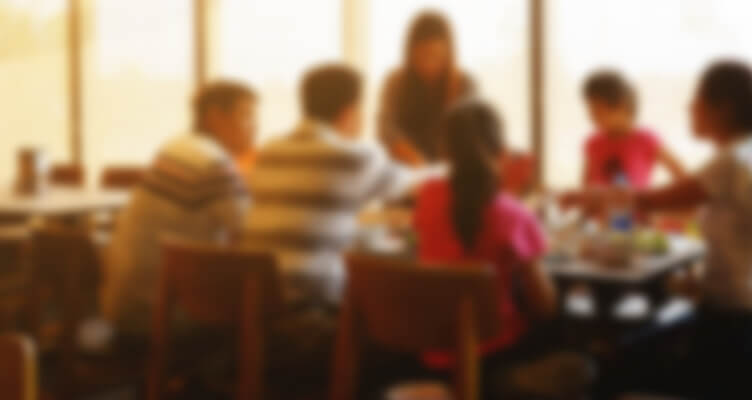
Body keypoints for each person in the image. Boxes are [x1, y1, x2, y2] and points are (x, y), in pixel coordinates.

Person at [567, 60, 752, 399]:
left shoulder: (733, 160)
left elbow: (646, 201)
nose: (688, 106)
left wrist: (581, 196)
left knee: (608, 367)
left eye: (696, 98)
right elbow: (716, 220)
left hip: (739, 335)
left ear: (722, 108)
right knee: (628, 348)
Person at [414, 100, 584, 397]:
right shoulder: (514, 214)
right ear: (501, 150)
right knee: (577, 353)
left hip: (433, 355)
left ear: (444, 151)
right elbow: (544, 306)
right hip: (495, 354)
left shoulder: (427, 196)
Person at [243, 64, 426, 308]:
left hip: (259, 302)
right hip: (315, 304)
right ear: (348, 112)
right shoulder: (353, 156)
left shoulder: (269, 152)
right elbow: (421, 183)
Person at [102, 81, 256, 334]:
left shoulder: (175, 148)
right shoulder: (214, 162)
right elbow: (252, 232)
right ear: (215, 118)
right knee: (264, 316)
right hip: (160, 314)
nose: (255, 127)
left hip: (123, 304)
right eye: (246, 116)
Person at [378, 11, 476, 165]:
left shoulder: (464, 83)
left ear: (448, 54)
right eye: (421, 56)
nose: (428, 64)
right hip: (404, 170)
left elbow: (473, 135)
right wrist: (410, 156)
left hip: (451, 171)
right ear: (410, 53)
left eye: (435, 56)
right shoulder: (396, 82)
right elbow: (386, 129)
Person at [582, 70, 686, 189]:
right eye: (590, 108)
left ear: (622, 106)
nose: (591, 115)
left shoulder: (646, 139)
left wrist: (662, 203)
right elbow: (586, 186)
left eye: (598, 110)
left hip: (637, 207)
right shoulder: (593, 143)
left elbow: (682, 176)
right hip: (601, 207)